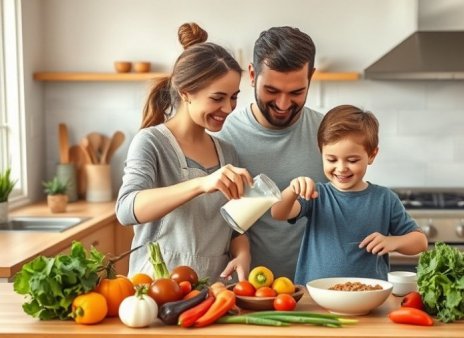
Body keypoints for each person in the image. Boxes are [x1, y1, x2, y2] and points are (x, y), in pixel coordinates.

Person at [115, 22, 253, 283]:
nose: (228, 107)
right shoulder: (151, 142)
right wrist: (201, 184)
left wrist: (243, 252)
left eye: (234, 97)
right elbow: (126, 209)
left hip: (213, 295)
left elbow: (236, 226)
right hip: (156, 292)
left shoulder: (227, 153)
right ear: (186, 93)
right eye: (217, 98)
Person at [271, 105, 428, 285]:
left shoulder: (385, 198)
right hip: (315, 297)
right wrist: (292, 190)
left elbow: (420, 242)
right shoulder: (317, 195)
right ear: (320, 151)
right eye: (331, 159)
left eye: (352, 160)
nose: (341, 168)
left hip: (368, 296)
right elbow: (277, 212)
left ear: (372, 154)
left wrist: (394, 242)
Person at [217, 26, 327, 279]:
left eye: (297, 92)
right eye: (272, 91)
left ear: (311, 77)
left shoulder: (328, 135)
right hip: (247, 291)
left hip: (316, 290)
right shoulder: (223, 137)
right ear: (253, 75)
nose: (283, 104)